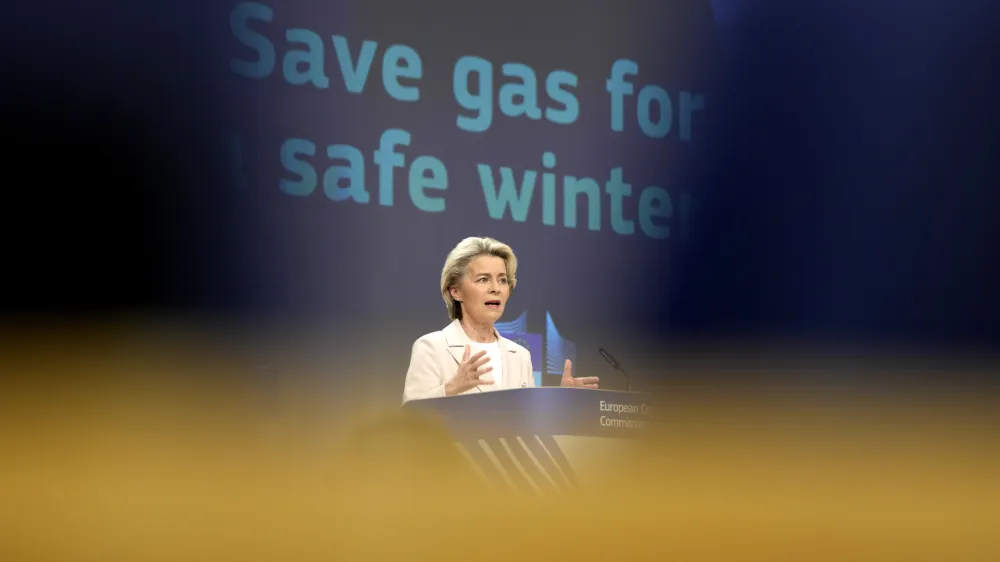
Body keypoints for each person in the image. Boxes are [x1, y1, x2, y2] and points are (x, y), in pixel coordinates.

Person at [402, 236, 599, 403]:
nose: (496, 288)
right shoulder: (431, 347)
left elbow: (527, 424)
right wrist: (450, 388)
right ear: (456, 291)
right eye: (483, 279)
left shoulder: (520, 355)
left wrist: (560, 401)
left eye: (502, 280)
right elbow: (409, 422)